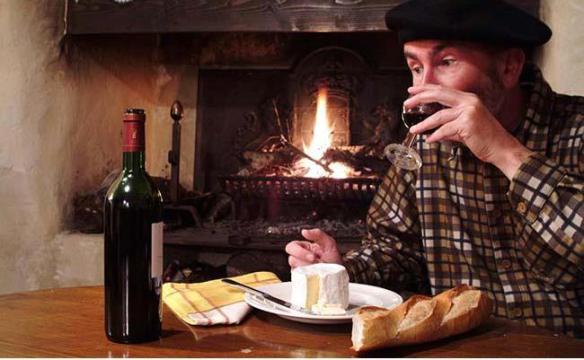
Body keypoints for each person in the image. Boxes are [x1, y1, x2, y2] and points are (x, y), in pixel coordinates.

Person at [285, 0, 583, 338]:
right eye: (415, 67)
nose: (424, 88)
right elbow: (397, 252)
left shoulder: (576, 130)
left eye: (446, 63)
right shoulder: (424, 146)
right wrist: (340, 271)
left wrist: (505, 153)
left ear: (509, 68)